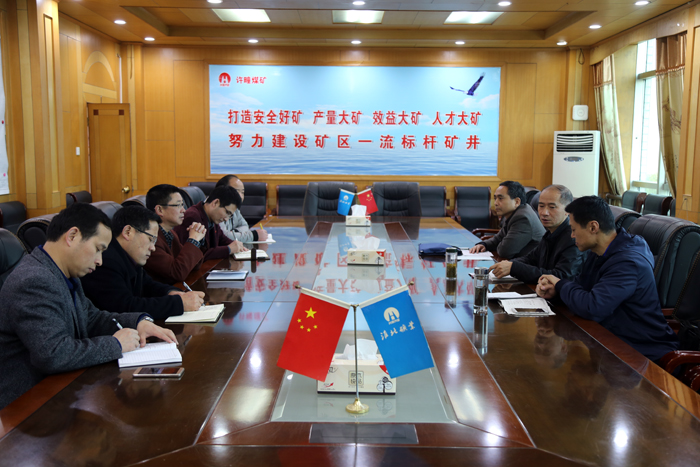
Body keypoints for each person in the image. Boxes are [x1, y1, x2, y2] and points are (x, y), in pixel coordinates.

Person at [0, 203, 176, 410]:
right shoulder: (34, 280)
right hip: (27, 405)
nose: (100, 261)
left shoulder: (62, 273)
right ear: (72, 236)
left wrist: (137, 322)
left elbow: (91, 318)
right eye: (98, 249)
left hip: (60, 389)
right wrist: (116, 344)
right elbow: (53, 354)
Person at [536, 196, 679, 362]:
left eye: (574, 230)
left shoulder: (628, 263)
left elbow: (593, 307)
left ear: (593, 227)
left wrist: (560, 285)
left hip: (641, 352)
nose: (572, 236)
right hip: (610, 341)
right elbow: (581, 287)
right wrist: (555, 291)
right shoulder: (599, 252)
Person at [81, 206, 205, 320]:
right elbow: (125, 307)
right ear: (128, 232)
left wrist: (171, 292)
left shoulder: (128, 256)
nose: (153, 248)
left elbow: (148, 285)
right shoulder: (105, 261)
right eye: (151, 239)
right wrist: (178, 303)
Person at [490, 184, 584, 282]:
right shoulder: (550, 232)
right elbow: (530, 259)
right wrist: (509, 264)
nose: (544, 213)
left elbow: (560, 276)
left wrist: (513, 268)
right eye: (541, 206)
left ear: (567, 210)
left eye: (552, 207)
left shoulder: (574, 238)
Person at [144, 184, 206, 284]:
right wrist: (193, 240)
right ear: (160, 210)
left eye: (183, 205)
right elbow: (177, 273)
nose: (183, 210)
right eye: (178, 205)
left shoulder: (171, 233)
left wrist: (197, 240)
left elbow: (194, 265)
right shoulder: (150, 238)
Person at [469, 181, 545, 259]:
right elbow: (498, 238)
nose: (495, 203)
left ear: (517, 202)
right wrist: (484, 244)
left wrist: (498, 244)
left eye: (500, 198)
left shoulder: (522, 218)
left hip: (531, 264)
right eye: (495, 198)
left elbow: (505, 251)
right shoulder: (514, 213)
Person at [174, 185, 247, 261]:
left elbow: (222, 238)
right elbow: (197, 255)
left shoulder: (211, 217)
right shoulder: (192, 217)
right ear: (215, 203)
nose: (226, 219)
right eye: (227, 212)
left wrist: (238, 246)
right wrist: (228, 249)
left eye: (230, 216)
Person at [215, 174, 269, 242]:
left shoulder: (234, 208)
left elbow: (245, 226)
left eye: (242, 192)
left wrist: (234, 233)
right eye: (237, 191)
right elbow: (223, 237)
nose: (240, 196)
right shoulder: (216, 207)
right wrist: (254, 236)